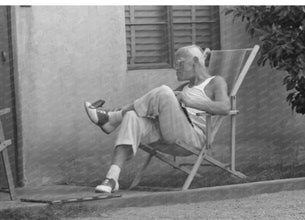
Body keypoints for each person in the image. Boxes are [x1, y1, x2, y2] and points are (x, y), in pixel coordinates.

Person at [84, 45, 231, 193]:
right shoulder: (184, 87)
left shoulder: (215, 82)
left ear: (195, 61)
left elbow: (225, 107)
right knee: (132, 116)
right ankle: (112, 178)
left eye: (180, 63)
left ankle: (113, 118)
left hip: (194, 138)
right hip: (171, 133)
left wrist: (190, 102)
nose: (176, 68)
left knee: (165, 91)